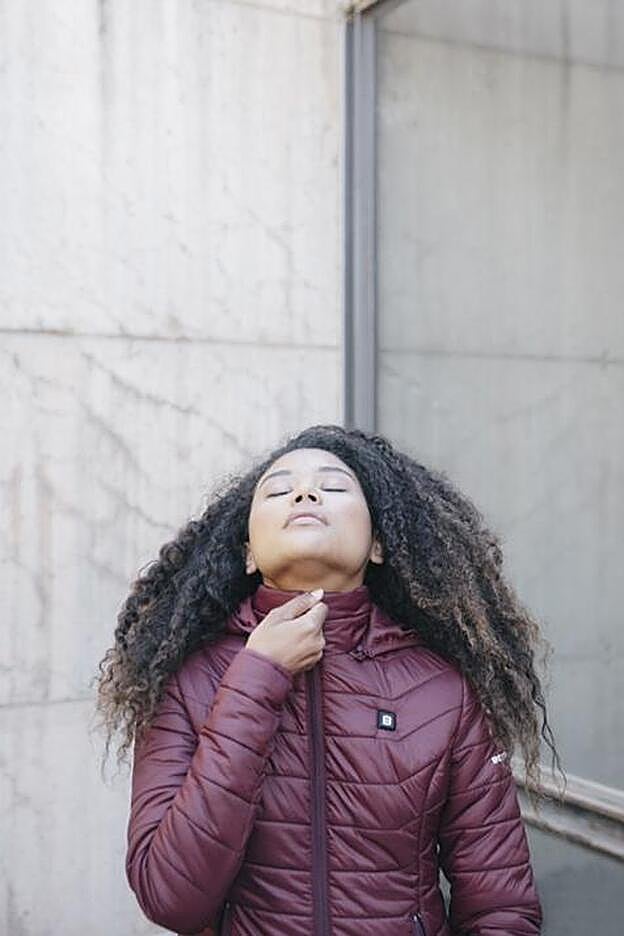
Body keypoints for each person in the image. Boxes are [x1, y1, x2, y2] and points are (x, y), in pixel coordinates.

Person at [96, 424, 563, 935]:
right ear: (249, 552)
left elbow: (500, 907)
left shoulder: (442, 691)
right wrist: (256, 678)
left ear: (379, 544)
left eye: (334, 487)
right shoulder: (190, 681)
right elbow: (170, 898)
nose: (304, 493)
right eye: (278, 490)